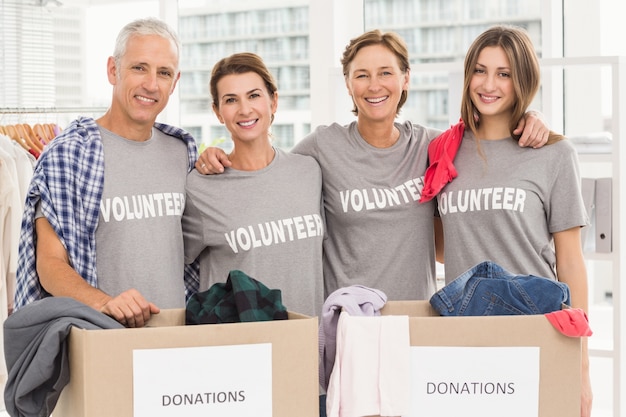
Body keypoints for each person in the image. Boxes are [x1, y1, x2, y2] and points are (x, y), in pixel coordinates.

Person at [195, 29, 549, 302]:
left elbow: (489, 140)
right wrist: (216, 157)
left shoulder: (435, 146)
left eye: (385, 73)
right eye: (361, 75)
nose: (374, 85)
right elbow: (269, 168)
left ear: (405, 78)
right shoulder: (322, 146)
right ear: (348, 84)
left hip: (416, 319)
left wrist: (531, 118)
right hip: (346, 326)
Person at [424, 25, 592, 417]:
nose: (489, 84)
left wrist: (581, 366)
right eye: (480, 71)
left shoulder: (554, 153)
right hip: (462, 331)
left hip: (539, 330)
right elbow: (442, 245)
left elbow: (570, 261)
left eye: (504, 74)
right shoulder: (443, 150)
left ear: (523, 80)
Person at [13, 18, 198, 328]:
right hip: (101, 340)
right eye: (140, 68)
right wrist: (106, 303)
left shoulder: (183, 151)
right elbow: (49, 264)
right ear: (114, 70)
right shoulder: (67, 155)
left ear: (174, 82)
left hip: (175, 342)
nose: (151, 84)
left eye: (163, 73)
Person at [182, 52, 324, 317]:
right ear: (217, 111)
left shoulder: (309, 171)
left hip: (309, 343)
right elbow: (171, 264)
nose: (245, 109)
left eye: (254, 95)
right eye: (231, 100)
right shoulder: (200, 187)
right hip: (242, 349)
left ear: (274, 101)